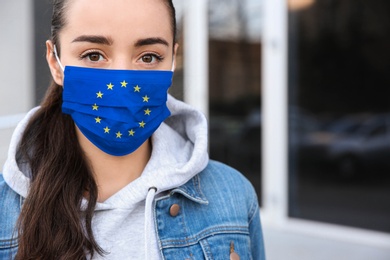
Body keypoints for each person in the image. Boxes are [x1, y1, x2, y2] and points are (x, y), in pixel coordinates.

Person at [0, 0, 265, 259]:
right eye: (94, 55)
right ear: (55, 63)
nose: (123, 80)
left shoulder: (233, 197)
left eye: (148, 57)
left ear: (173, 60)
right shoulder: (4, 211)